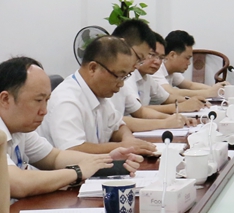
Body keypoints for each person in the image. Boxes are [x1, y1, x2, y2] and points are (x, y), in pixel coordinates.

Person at [0, 57, 142, 198]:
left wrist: (105, 160)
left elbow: (55, 158)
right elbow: (18, 184)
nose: (44, 110)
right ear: (5, 99)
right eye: (38, 100)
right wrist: (77, 172)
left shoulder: (20, 129)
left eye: (46, 100)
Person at [38, 36, 157, 155]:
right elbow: (73, 149)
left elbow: (118, 125)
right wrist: (123, 146)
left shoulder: (99, 94)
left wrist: (128, 139)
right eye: (119, 76)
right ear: (93, 68)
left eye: (125, 76)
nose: (121, 84)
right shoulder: (67, 100)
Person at [110, 22, 201, 132]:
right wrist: (166, 121)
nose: (157, 61)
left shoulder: (130, 76)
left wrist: (174, 118)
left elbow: (139, 111)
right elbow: (117, 121)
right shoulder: (125, 77)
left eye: (161, 58)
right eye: (151, 55)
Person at [151, 30, 226, 97]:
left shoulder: (171, 71)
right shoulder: (156, 69)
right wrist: (208, 93)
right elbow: (171, 93)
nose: (189, 63)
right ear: (172, 55)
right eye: (187, 58)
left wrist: (217, 89)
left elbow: (190, 85)